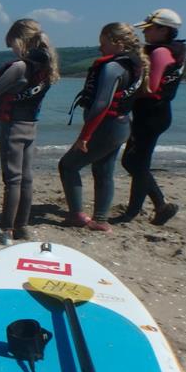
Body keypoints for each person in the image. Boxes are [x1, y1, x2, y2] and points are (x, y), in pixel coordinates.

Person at [59, 22, 147, 232]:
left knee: (68, 166)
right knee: (103, 170)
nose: (100, 48)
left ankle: (77, 216)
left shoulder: (113, 67)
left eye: (103, 43)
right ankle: (100, 220)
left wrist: (84, 136)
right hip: (122, 125)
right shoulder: (135, 64)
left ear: (116, 42)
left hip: (107, 128)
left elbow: (101, 105)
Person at [0, 19, 60, 245]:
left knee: (12, 179)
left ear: (22, 41)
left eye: (12, 45)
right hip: (31, 126)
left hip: (12, 127)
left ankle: (5, 228)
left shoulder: (19, 67)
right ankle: (22, 226)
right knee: (26, 178)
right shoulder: (46, 67)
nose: (12, 50)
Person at [118, 9, 186, 226]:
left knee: (134, 163)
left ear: (163, 30)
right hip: (157, 113)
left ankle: (142, 209)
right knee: (136, 163)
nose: (145, 33)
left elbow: (150, 88)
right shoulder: (172, 51)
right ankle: (154, 207)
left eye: (149, 29)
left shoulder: (159, 53)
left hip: (151, 115)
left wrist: (122, 94)